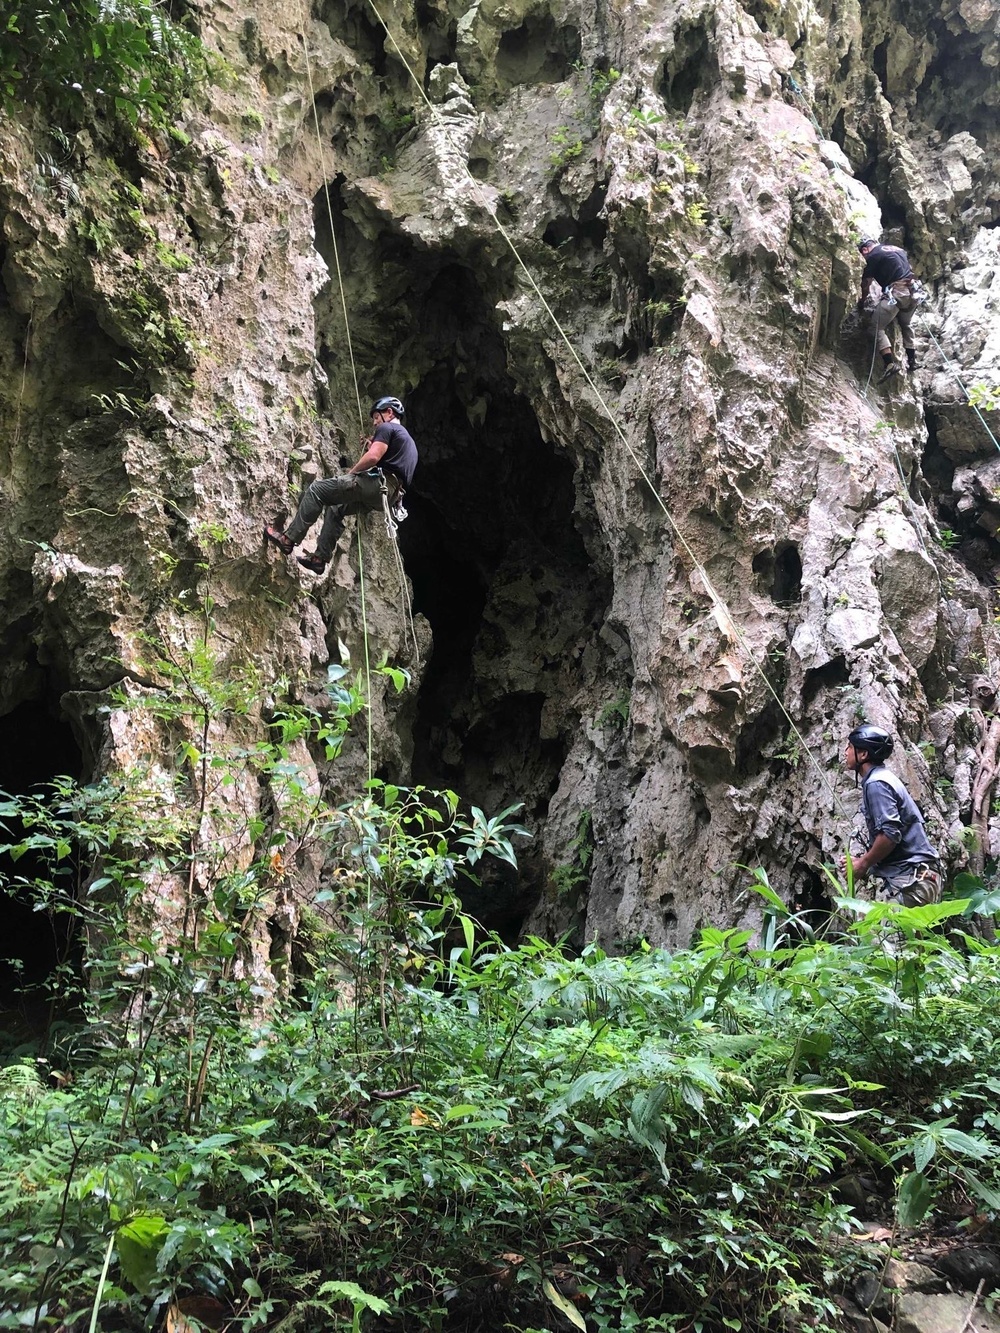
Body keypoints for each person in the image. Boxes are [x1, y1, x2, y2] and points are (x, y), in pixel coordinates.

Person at [265, 396, 417, 574]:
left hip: (376, 485)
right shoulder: (409, 442)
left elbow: (374, 457)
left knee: (317, 490)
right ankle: (319, 559)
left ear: (389, 412)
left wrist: (353, 472)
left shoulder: (387, 427)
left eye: (376, 417)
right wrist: (372, 445)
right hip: (388, 497)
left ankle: (288, 539)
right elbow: (391, 461)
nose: (375, 423)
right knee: (337, 508)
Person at [842, 723, 942, 906]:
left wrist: (863, 864)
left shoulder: (876, 783)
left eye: (850, 747)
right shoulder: (883, 778)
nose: (845, 751)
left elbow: (889, 835)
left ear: (863, 754)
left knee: (887, 934)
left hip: (911, 881)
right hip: (918, 878)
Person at [857, 238, 921, 383]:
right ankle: (912, 361)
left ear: (865, 249)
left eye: (863, 254)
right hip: (913, 293)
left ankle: (889, 364)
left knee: (876, 328)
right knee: (906, 324)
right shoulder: (897, 249)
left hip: (897, 294)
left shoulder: (872, 256)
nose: (864, 257)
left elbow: (866, 284)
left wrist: (862, 302)